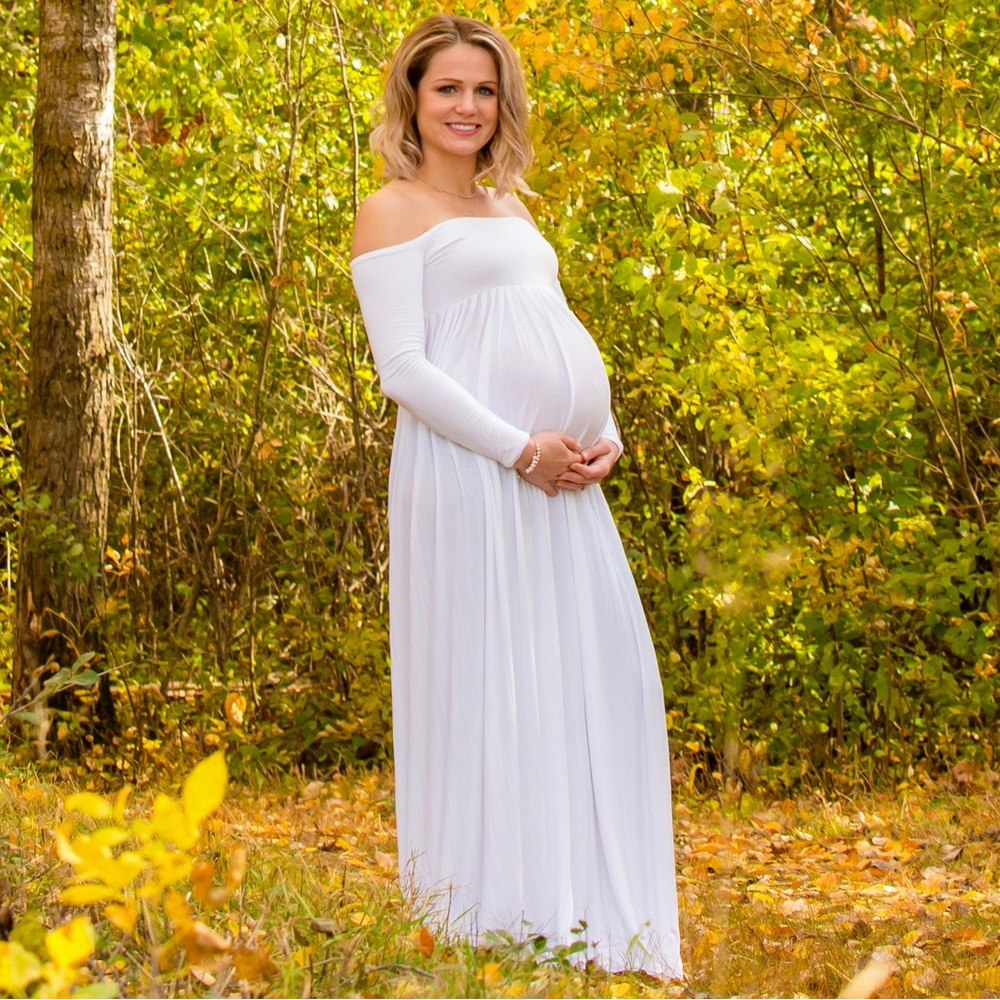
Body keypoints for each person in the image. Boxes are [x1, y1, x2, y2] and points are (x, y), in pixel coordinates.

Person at [350, 13, 682, 979]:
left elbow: (551, 323)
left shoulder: (514, 210)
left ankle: (586, 912)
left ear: (504, 105)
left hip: (563, 485)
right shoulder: (391, 210)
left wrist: (604, 431)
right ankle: (492, 915)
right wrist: (515, 448)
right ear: (413, 98)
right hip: (473, 476)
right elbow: (404, 368)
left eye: (484, 90)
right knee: (492, 681)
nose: (468, 106)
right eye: (448, 88)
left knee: (594, 680)